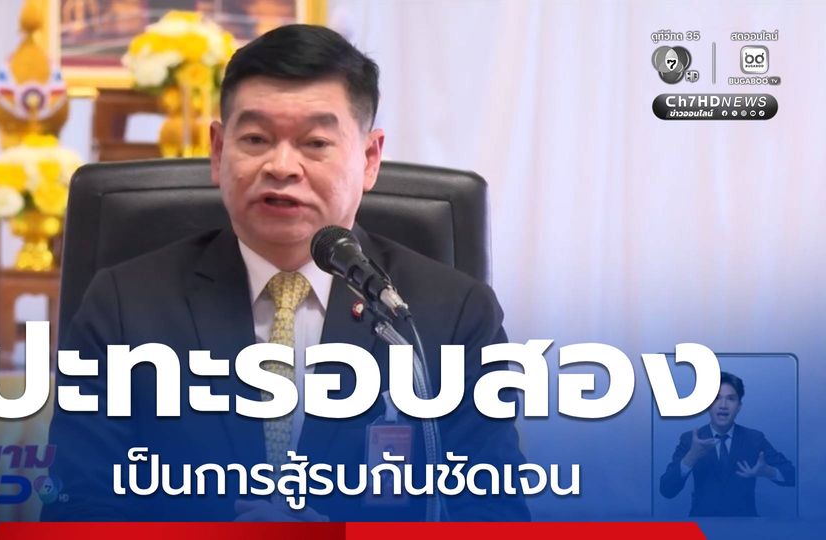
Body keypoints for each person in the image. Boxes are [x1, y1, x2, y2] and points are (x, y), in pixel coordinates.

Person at [42, 24, 529, 522]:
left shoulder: (450, 315)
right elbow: (76, 512)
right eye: (256, 139)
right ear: (218, 150)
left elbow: (494, 517)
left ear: (369, 159)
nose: (281, 166)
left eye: (315, 142)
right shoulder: (124, 307)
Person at [659, 371, 795, 516]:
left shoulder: (754, 438)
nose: (723, 405)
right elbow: (666, 490)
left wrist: (768, 471)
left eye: (731, 399)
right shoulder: (691, 439)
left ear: (739, 406)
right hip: (703, 524)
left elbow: (792, 475)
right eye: (716, 398)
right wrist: (691, 458)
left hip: (745, 525)